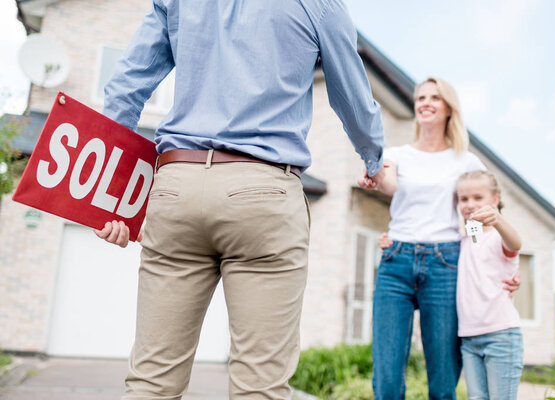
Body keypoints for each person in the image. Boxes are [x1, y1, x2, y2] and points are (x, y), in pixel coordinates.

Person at [93, 1, 387, 399]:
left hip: (177, 183)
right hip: (263, 191)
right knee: (260, 387)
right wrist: (374, 159)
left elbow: (126, 86)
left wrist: (111, 196)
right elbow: (352, 96)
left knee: (151, 381)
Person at [360, 77, 520, 400]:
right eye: (420, 97)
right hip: (396, 259)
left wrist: (497, 269)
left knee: (443, 380)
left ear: (449, 108)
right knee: (387, 379)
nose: (425, 102)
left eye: (435, 97)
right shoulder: (398, 154)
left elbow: (480, 225)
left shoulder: (466, 161)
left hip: (446, 264)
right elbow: (388, 183)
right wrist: (373, 174)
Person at [455, 170, 523, 400]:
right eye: (464, 199)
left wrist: (497, 219)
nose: (469, 204)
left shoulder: (498, 236)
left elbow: (515, 243)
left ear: (495, 200)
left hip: (500, 335)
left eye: (477, 197)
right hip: (469, 337)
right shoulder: (469, 238)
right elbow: (475, 245)